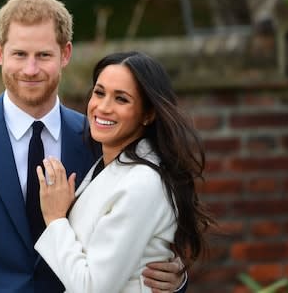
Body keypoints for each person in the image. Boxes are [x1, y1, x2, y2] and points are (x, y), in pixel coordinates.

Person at [0, 0, 186, 292]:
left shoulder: (99, 139)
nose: (31, 69)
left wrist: (176, 282)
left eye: (44, 55)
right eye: (19, 54)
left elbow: (129, 242)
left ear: (65, 54)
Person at [34, 51, 216, 292]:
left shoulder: (143, 182)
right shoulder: (104, 162)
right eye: (99, 93)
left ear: (148, 114)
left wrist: (55, 219)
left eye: (121, 99)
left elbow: (93, 287)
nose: (103, 107)